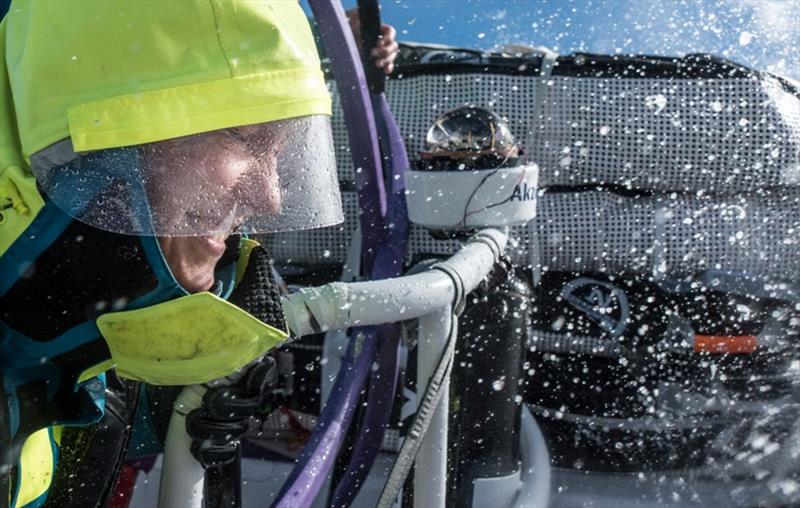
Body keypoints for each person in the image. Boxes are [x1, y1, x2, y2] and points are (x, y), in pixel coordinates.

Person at [0, 2, 398, 507]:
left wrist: (173, 400)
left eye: (278, 152)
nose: (271, 197)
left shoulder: (53, 340)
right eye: (247, 138)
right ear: (94, 147)